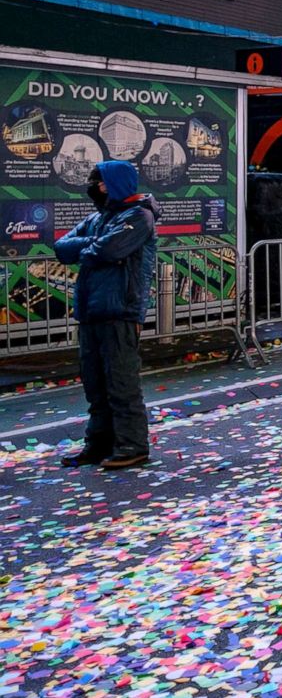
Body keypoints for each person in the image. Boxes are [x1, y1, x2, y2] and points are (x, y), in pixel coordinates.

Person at [55, 161, 159, 471]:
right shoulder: (98, 219)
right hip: (91, 310)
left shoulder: (139, 216)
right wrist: (92, 246)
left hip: (120, 309)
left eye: (100, 182)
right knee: (95, 383)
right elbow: (62, 247)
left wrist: (87, 249)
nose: (95, 187)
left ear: (116, 184)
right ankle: (98, 444)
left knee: (121, 383)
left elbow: (111, 250)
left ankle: (132, 445)